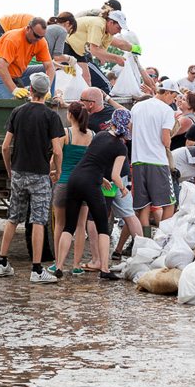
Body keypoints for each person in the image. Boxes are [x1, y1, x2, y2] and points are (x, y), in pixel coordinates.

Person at [0, 73, 64, 284]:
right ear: (46, 93)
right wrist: (58, 172)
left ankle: (1, 262)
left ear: (30, 90)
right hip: (40, 174)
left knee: (13, 217)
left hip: (18, 172)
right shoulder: (52, 117)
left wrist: (9, 169)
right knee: (39, 220)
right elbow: (58, 151)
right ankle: (36, 269)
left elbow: (5, 146)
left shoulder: (18, 112)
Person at [55, 109, 131, 280]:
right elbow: (116, 176)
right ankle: (104, 269)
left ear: (112, 121)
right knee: (103, 227)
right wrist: (123, 189)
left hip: (75, 178)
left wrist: (101, 177)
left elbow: (90, 159)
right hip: (91, 184)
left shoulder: (100, 135)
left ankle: (59, 267)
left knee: (69, 226)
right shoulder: (121, 147)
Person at [48, 102, 93, 277]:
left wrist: (53, 171)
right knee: (80, 225)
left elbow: (55, 157)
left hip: (64, 182)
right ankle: (76, 265)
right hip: (84, 184)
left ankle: (58, 263)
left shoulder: (65, 134)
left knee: (60, 224)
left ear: (70, 115)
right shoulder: (92, 136)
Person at [131, 79, 179, 236]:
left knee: (143, 206)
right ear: (167, 93)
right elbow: (165, 140)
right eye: (174, 96)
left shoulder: (137, 106)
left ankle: (146, 240)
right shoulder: (166, 111)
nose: (174, 100)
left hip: (138, 160)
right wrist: (169, 141)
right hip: (157, 161)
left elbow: (130, 130)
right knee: (169, 203)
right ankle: (162, 238)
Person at [64, 10, 142, 93]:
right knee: (96, 82)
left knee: (87, 78)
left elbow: (101, 52)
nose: (119, 32)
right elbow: (94, 50)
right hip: (66, 45)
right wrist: (116, 58)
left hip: (78, 51)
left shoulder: (108, 34)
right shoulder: (98, 24)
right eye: (118, 28)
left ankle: (87, 100)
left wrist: (104, 58)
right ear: (111, 22)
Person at [0, 17, 54, 99]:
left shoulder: (41, 41)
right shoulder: (13, 39)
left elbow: (49, 67)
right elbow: (1, 67)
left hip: (16, 75)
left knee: (50, 72)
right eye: (36, 35)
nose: (38, 39)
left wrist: (47, 89)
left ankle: (48, 100)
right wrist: (14, 89)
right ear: (28, 28)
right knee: (11, 102)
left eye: (41, 37)